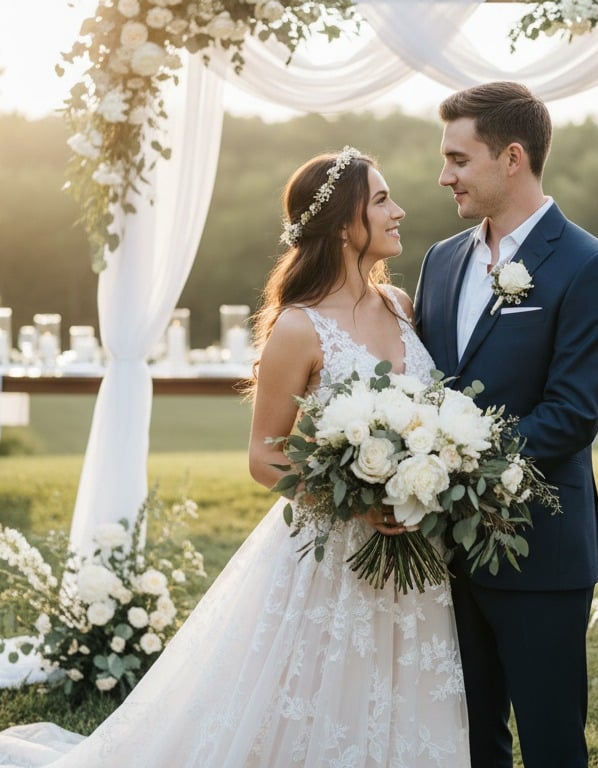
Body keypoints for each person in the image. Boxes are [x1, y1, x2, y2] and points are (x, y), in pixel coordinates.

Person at [0, 148, 470, 767]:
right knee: (314, 698)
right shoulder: (299, 329)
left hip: (417, 546)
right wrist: (357, 505)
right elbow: (264, 455)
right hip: (333, 551)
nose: (399, 211)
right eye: (381, 200)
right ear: (338, 224)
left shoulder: (402, 307)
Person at [414, 82, 598, 768]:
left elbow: (571, 416)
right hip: (444, 548)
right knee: (468, 737)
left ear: (511, 157)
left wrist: (446, 464)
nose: (443, 175)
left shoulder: (591, 266)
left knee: (551, 740)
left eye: (458, 158)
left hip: (539, 549)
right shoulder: (440, 260)